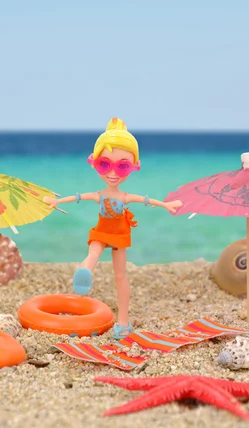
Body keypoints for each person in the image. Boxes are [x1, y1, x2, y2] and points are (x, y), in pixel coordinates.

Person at [43, 117, 181, 339]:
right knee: (99, 254)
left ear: (133, 167)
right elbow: (79, 196)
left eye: (123, 166)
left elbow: (143, 200)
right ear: (94, 162)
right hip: (106, 231)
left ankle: (123, 322)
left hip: (118, 234)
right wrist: (57, 201)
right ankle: (85, 271)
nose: (113, 173)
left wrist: (165, 205)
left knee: (119, 274)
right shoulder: (102, 195)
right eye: (104, 164)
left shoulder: (122, 196)